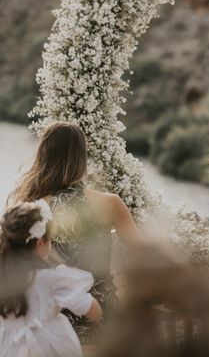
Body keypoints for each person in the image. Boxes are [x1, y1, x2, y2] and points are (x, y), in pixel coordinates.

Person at [7, 121, 140, 340]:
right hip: (101, 317)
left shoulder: (33, 207)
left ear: (44, 156)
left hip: (48, 317)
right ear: (81, 158)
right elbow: (143, 254)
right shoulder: (110, 203)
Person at [0, 200, 102, 357]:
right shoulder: (50, 279)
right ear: (40, 242)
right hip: (49, 346)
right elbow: (93, 310)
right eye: (50, 239)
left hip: (9, 346)